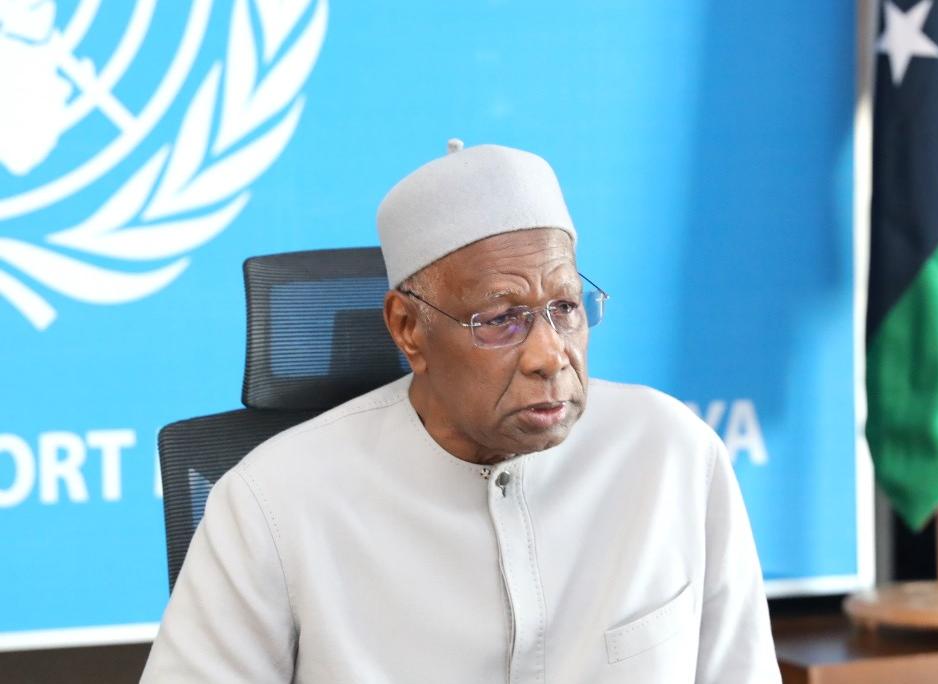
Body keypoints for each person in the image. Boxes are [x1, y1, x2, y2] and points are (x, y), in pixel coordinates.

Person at [141, 140, 780, 683]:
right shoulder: (273, 501)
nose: (549, 355)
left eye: (564, 308)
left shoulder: (672, 454)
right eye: (501, 318)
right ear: (408, 329)